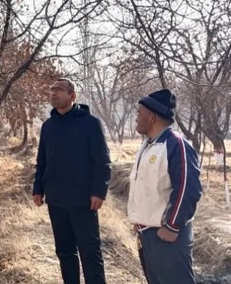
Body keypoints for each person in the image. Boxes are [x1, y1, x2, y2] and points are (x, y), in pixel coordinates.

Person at [33, 78, 111, 284]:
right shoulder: (48, 126)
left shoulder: (90, 124)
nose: (53, 93)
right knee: (64, 251)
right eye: (51, 90)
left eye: (59, 90)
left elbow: (102, 161)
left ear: (72, 95)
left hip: (83, 200)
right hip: (56, 200)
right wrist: (38, 188)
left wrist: (99, 192)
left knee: (90, 252)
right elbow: (42, 161)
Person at [128, 89, 202, 284]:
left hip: (168, 237)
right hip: (147, 234)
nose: (136, 117)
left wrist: (172, 226)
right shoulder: (148, 145)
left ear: (152, 118)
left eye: (139, 113)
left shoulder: (176, 144)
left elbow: (188, 188)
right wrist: (139, 218)